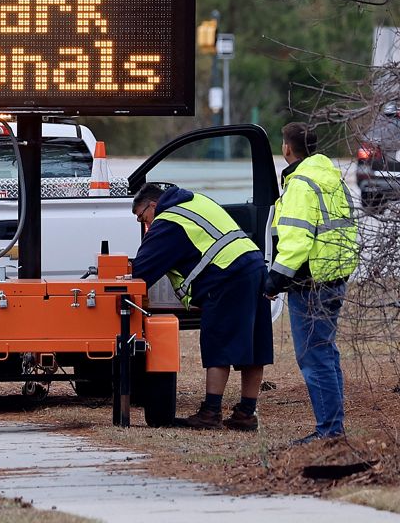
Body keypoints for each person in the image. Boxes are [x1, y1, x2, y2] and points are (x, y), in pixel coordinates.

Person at [131, 182, 273, 431]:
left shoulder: (168, 221)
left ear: (153, 205)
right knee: (254, 343)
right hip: (254, 265)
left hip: (227, 276)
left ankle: (211, 412)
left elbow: (141, 271)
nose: (145, 225)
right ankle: (246, 413)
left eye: (142, 217)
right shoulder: (195, 200)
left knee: (218, 343)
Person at [264, 122, 358, 444]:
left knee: (313, 356)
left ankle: (329, 431)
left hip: (310, 283)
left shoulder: (301, 184)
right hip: (335, 276)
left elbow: (296, 242)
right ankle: (334, 426)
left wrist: (274, 279)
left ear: (287, 149)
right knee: (326, 352)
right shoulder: (330, 177)